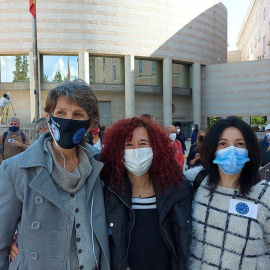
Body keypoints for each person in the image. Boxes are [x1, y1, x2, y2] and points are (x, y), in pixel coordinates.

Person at [0, 80, 110, 270]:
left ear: (91, 124)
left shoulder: (100, 166)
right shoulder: (16, 170)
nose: (68, 121)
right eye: (61, 113)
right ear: (49, 117)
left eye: (78, 114)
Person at [102, 117, 192, 270]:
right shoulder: (108, 191)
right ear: (118, 150)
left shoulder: (177, 189)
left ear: (155, 146)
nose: (136, 150)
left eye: (143, 143)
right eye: (128, 144)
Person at [185, 116, 270, 269]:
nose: (231, 150)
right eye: (222, 144)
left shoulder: (264, 194)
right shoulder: (195, 181)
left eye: (240, 144)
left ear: (249, 149)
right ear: (213, 149)